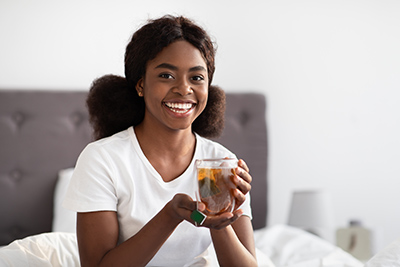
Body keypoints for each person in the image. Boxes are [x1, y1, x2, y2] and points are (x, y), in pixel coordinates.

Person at [63, 15, 257, 267]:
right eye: (166, 75)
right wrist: (170, 215)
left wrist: (219, 217)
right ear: (141, 85)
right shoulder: (103, 159)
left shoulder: (222, 163)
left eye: (196, 77)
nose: (184, 89)